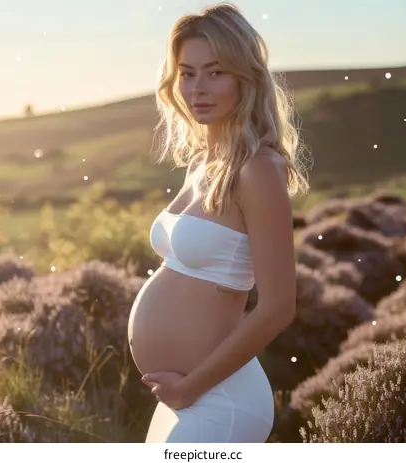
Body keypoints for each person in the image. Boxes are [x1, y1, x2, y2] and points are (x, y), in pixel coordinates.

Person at [126, 1, 310, 443]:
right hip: (183, 398)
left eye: (216, 72)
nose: (198, 89)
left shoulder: (257, 169)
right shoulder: (205, 163)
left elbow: (278, 308)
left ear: (245, 79)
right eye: (187, 73)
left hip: (218, 401)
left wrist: (191, 386)